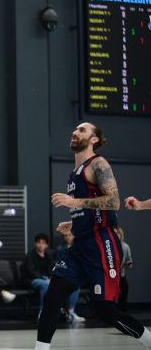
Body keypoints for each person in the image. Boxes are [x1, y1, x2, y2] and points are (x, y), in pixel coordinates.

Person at [36, 123, 151, 350]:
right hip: (80, 245)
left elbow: (113, 202)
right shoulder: (75, 172)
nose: (75, 132)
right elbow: (92, 208)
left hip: (102, 242)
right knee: (51, 298)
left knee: (104, 310)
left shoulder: (98, 163)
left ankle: (149, 340)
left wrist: (73, 202)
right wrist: (75, 222)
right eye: (75, 129)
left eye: (82, 130)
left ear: (94, 139)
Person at [23, 233, 80, 320]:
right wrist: (45, 279)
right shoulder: (30, 256)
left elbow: (54, 270)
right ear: (35, 244)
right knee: (46, 285)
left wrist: (54, 278)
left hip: (49, 280)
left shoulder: (49, 257)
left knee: (73, 284)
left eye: (43, 243)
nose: (41, 245)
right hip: (34, 280)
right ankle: (42, 312)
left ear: (46, 245)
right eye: (39, 242)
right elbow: (31, 272)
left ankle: (70, 312)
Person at [114, 226, 132, 313]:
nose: (116, 235)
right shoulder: (106, 246)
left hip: (120, 274)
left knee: (124, 288)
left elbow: (129, 260)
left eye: (117, 233)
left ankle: (123, 311)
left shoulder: (125, 247)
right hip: (109, 276)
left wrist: (128, 265)